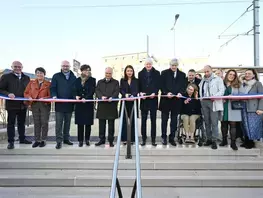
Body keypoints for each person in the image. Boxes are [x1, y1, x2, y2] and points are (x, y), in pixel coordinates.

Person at [0, 61, 32, 149]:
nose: (17, 68)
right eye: (15, 67)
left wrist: (29, 97)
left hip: (23, 105)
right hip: (11, 105)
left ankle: (22, 139)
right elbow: (1, 89)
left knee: (22, 123)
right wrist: (8, 93)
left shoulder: (27, 78)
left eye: (19, 67)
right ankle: (11, 142)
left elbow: (29, 90)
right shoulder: (6, 77)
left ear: (22, 67)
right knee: (11, 124)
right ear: (12, 67)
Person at [159, 58, 187, 146]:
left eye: (175, 65)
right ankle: (163, 137)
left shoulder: (182, 74)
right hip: (166, 100)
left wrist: (180, 93)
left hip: (176, 101)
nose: (174, 67)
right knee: (164, 120)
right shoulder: (164, 73)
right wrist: (166, 93)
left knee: (174, 121)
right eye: (172, 65)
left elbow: (183, 86)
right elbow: (161, 85)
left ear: (177, 66)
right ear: (170, 65)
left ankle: (172, 138)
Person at [50, 60, 76, 149]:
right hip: (59, 104)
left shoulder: (73, 77)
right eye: (64, 66)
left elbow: (75, 89)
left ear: (69, 67)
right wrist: (54, 96)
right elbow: (53, 88)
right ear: (61, 66)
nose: (65, 67)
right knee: (59, 124)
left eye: (67, 66)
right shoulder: (56, 76)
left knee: (67, 123)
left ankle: (66, 139)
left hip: (70, 104)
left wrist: (75, 97)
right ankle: (58, 141)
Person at [24, 67, 51, 148]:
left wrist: (45, 98)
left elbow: (51, 96)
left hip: (44, 105)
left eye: (41, 73)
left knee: (44, 123)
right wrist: (28, 97)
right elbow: (26, 92)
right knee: (37, 123)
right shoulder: (31, 83)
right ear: (36, 74)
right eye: (38, 73)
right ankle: (37, 140)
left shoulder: (48, 84)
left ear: (44, 74)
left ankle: (43, 140)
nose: (39, 74)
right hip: (34, 104)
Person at [199, 65, 225, 149]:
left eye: (208, 71)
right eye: (205, 71)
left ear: (211, 71)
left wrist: (215, 96)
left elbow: (222, 90)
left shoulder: (218, 79)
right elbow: (201, 90)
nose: (206, 73)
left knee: (214, 122)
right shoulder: (202, 80)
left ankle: (214, 140)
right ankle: (208, 139)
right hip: (204, 102)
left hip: (214, 101)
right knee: (207, 122)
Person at [138, 58, 160, 146]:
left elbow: (158, 85)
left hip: (153, 99)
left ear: (152, 64)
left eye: (150, 64)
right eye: (147, 64)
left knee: (153, 121)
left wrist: (155, 92)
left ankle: (153, 139)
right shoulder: (140, 73)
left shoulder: (157, 73)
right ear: (144, 64)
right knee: (143, 121)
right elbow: (138, 85)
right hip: (144, 100)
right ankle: (143, 138)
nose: (148, 65)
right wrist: (140, 93)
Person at [95, 67, 119, 147]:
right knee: (101, 124)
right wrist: (101, 97)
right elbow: (97, 91)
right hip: (102, 106)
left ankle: (111, 141)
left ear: (112, 74)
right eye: (106, 73)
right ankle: (101, 140)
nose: (108, 75)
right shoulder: (100, 82)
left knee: (111, 125)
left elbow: (116, 91)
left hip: (111, 106)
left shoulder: (116, 82)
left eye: (109, 73)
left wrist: (112, 97)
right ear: (104, 73)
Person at [73, 65, 96, 147]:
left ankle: (87, 139)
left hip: (88, 104)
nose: (87, 72)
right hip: (79, 104)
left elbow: (92, 91)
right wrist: (75, 96)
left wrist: (85, 98)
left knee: (88, 123)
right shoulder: (77, 80)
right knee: (80, 123)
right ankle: (80, 140)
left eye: (88, 70)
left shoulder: (92, 80)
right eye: (85, 70)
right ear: (81, 71)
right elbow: (74, 90)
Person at [239, 69, 263, 149]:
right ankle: (246, 141)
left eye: (249, 73)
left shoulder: (257, 84)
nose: (247, 75)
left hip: (254, 108)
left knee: (253, 125)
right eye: (246, 73)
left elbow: (262, 97)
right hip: (243, 107)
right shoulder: (243, 84)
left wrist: (260, 108)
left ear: (253, 75)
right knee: (244, 125)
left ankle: (251, 142)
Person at [220, 70, 242, 150]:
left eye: (233, 75)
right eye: (230, 74)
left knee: (233, 125)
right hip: (223, 106)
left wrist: (233, 96)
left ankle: (233, 143)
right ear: (227, 75)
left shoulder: (238, 85)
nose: (232, 76)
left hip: (233, 106)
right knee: (223, 124)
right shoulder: (221, 83)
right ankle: (224, 140)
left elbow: (241, 95)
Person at [119, 65, 139, 145]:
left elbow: (137, 89)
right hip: (125, 102)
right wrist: (125, 95)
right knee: (124, 121)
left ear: (133, 72)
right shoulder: (122, 80)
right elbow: (121, 89)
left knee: (132, 121)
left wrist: (132, 95)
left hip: (133, 102)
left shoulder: (136, 80)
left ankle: (132, 139)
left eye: (131, 71)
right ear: (125, 72)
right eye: (128, 71)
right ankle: (124, 139)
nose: (129, 72)